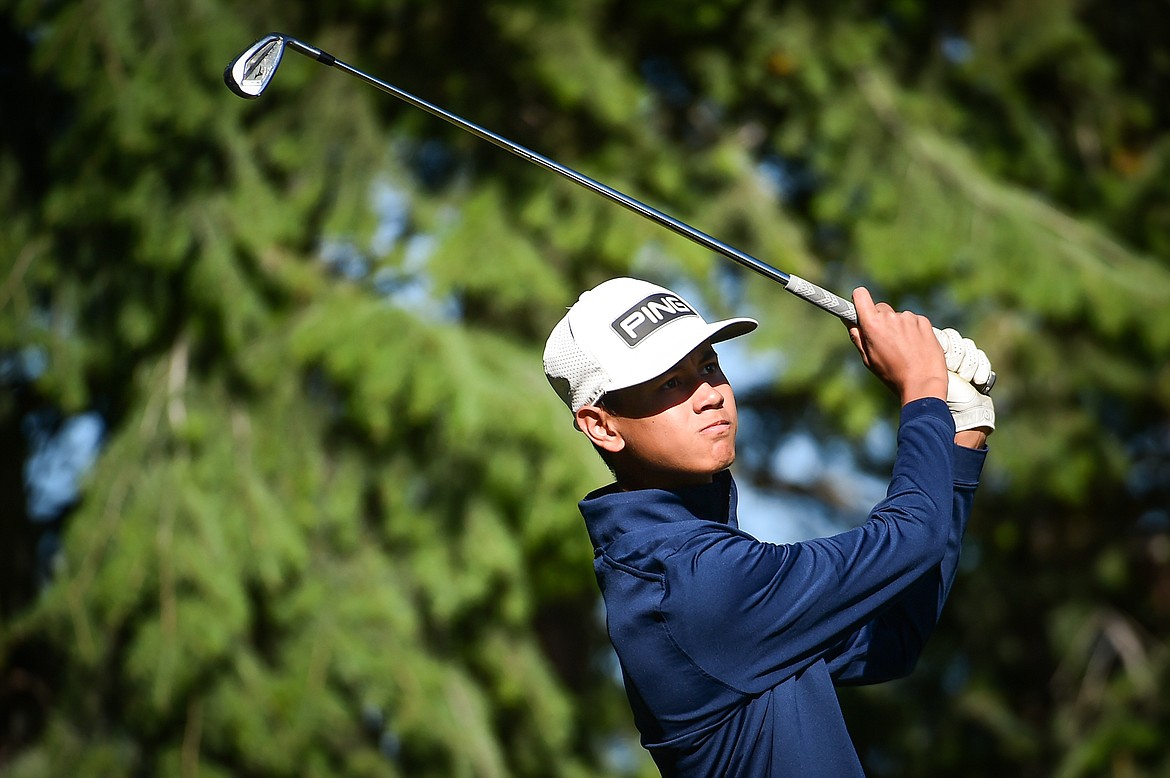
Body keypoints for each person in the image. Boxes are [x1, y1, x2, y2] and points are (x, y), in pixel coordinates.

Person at [542, 277, 994, 777]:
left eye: (709, 366)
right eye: (670, 382)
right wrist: (923, 392)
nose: (710, 395)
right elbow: (912, 537)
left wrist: (961, 429)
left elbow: (891, 640)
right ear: (602, 425)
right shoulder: (688, 582)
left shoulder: (684, 560)